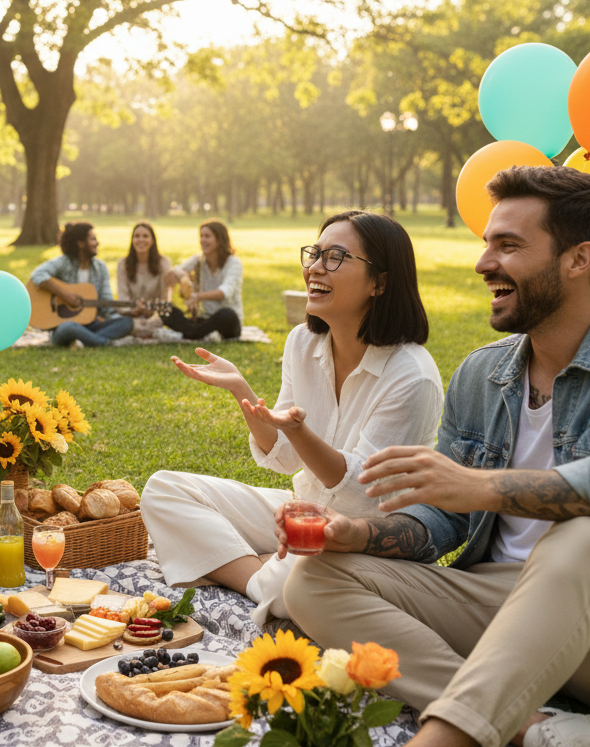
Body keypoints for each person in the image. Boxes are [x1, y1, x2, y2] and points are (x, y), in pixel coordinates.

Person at [282, 166, 590, 747]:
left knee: (581, 538)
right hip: (505, 606)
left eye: (508, 246)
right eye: (486, 243)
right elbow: (442, 522)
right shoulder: (484, 372)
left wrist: (484, 487)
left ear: (579, 258)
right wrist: (357, 532)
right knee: (313, 577)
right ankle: (528, 723)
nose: (483, 263)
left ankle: (443, 742)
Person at [141, 211, 442, 629]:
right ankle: (258, 575)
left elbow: (362, 496)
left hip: (359, 538)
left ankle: (253, 573)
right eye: (314, 254)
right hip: (301, 512)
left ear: (380, 282)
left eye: (336, 257)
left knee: (300, 584)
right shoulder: (303, 342)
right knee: (163, 490)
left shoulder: (412, 375)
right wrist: (242, 391)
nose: (315, 267)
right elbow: (282, 458)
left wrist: (300, 432)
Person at [29, 221, 134, 348]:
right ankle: (104, 342)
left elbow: (107, 305)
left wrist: (130, 311)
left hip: (92, 324)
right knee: (68, 327)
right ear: (81, 244)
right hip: (64, 326)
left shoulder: (100, 268)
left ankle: (86, 340)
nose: (97, 243)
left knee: (127, 323)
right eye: (93, 239)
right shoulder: (64, 262)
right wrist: (65, 295)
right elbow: (38, 275)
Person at [159, 220, 244, 341]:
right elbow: (175, 271)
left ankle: (186, 334)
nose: (202, 240)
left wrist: (197, 297)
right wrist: (184, 278)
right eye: (201, 236)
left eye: (207, 236)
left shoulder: (233, 263)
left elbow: (224, 293)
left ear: (219, 240)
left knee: (227, 314)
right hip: (204, 320)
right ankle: (202, 334)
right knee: (163, 308)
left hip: (227, 322)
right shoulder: (199, 259)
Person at [116, 221, 173, 338]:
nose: (141, 240)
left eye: (145, 236)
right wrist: (134, 310)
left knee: (161, 321)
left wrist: (151, 311)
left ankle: (138, 334)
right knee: (120, 322)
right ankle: (148, 334)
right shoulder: (123, 264)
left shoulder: (164, 263)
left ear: (152, 240)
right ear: (132, 240)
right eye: (137, 236)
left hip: (155, 317)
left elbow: (165, 299)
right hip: (130, 317)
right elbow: (122, 298)